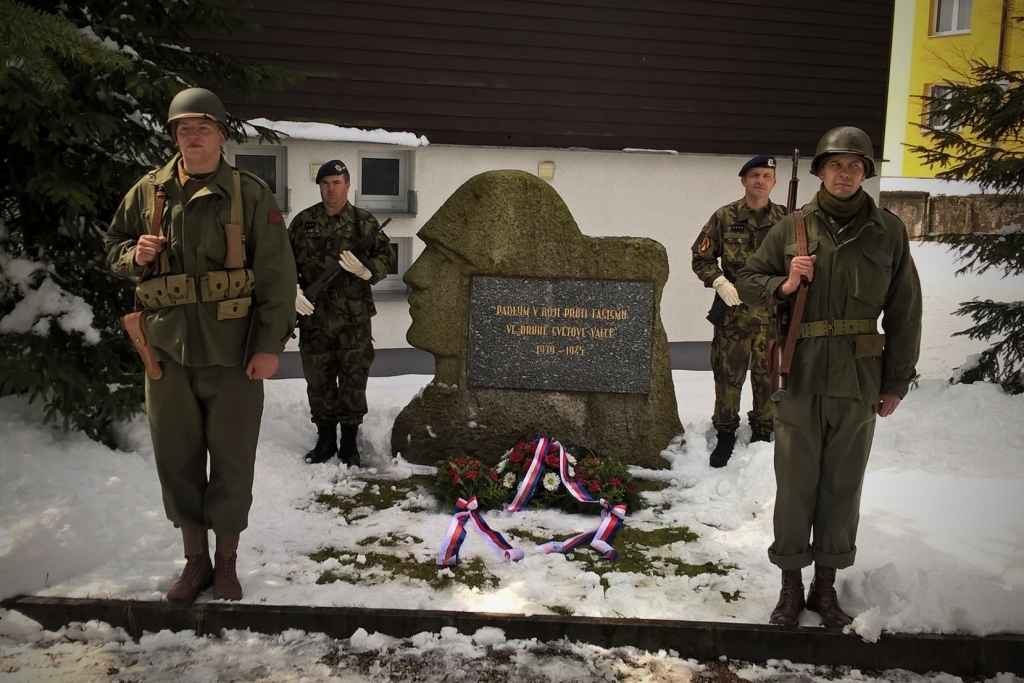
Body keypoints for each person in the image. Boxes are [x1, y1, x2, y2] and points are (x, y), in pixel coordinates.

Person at [105, 87, 297, 604]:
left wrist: (269, 345)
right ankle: (196, 563)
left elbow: (278, 277)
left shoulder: (250, 193)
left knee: (233, 463)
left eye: (203, 127)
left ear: (221, 134)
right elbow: (114, 247)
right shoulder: (149, 192)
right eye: (183, 128)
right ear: (174, 135)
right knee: (177, 460)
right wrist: (134, 253)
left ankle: (228, 561)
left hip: (234, 356)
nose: (193, 137)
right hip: (165, 355)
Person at [736, 126, 922, 627]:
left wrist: (896, 381)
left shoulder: (888, 231)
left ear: (866, 173)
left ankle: (826, 586)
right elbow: (748, 283)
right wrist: (786, 281)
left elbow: (906, 312)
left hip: (859, 376)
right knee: (796, 482)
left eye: (855, 165)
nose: (845, 173)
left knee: (843, 485)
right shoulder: (790, 228)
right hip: (798, 373)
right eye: (836, 164)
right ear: (820, 171)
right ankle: (791, 587)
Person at [290, 160, 395, 467]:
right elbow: (282, 261)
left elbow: (386, 255)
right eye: (325, 183)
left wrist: (367, 270)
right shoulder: (303, 222)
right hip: (314, 317)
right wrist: (291, 290)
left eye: (337, 183)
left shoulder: (364, 222)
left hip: (354, 319)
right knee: (318, 380)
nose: (331, 189)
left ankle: (349, 440)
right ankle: (325, 439)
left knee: (353, 379)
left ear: (348, 185)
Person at [692, 155, 787, 467]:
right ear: (744, 180)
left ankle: (762, 432)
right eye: (754, 175)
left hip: (771, 316)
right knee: (727, 377)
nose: (760, 180)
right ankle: (725, 433)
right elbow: (701, 257)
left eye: (766, 175)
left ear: (774, 182)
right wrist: (719, 281)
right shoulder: (724, 216)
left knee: (767, 377)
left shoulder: (787, 220)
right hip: (733, 315)